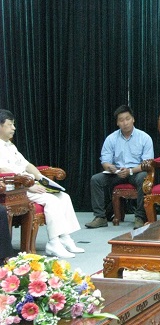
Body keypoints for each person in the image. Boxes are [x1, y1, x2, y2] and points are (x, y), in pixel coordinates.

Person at [0, 109, 83, 259]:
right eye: (10, 124)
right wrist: (28, 185)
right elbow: (3, 171)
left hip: (29, 182)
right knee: (51, 200)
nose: (14, 128)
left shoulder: (10, 146)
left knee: (63, 197)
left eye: (14, 124)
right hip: (17, 189)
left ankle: (65, 238)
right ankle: (53, 242)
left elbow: (27, 165)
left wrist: (40, 177)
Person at [86, 105, 154, 230]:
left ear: (133, 119)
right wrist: (112, 168)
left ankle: (140, 216)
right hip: (117, 173)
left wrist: (130, 171)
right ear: (117, 123)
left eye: (127, 119)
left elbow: (147, 163)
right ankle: (100, 217)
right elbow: (105, 161)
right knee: (96, 179)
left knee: (144, 177)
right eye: (121, 120)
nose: (125, 123)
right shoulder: (111, 138)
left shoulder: (144, 138)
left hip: (135, 172)